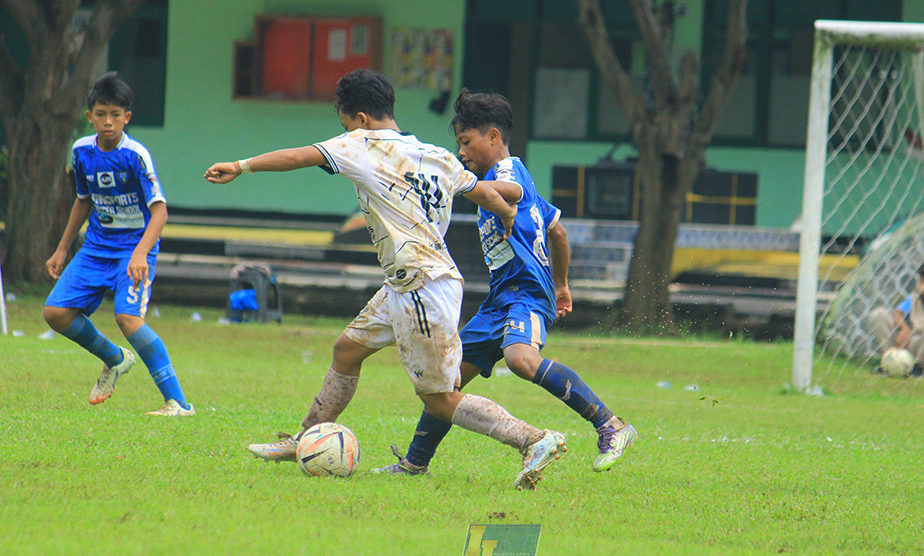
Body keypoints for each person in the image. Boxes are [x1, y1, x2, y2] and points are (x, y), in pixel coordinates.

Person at [204, 69, 566, 490]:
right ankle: (304, 438)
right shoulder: (434, 155)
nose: (341, 135)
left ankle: (533, 439)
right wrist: (506, 213)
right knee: (346, 351)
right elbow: (482, 191)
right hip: (409, 282)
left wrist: (241, 166)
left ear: (359, 118)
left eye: (343, 126)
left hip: (420, 287)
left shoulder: (361, 143)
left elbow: (301, 156)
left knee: (438, 398)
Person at [375, 89, 637, 477]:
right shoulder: (515, 189)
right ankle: (414, 464)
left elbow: (511, 192)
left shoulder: (507, 172)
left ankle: (612, 426)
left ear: (493, 137)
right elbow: (559, 233)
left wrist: (456, 183)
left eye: (467, 142)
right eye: (459, 145)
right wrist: (564, 285)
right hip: (501, 300)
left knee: (520, 360)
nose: (462, 152)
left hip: (526, 294)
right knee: (443, 384)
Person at [44, 72, 194, 416]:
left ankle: (178, 403)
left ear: (127, 117)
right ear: (89, 117)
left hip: (133, 250)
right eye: (101, 114)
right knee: (55, 313)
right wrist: (63, 247)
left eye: (115, 115)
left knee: (128, 318)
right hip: (96, 247)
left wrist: (140, 253)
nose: (108, 122)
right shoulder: (81, 150)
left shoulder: (136, 155)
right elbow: (83, 199)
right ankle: (114, 359)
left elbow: (160, 212)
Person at [866, 255, 924, 378]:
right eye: (923, 275)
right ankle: (889, 362)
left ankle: (920, 367)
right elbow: (897, 312)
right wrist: (904, 328)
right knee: (879, 315)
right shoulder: (916, 296)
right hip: (914, 341)